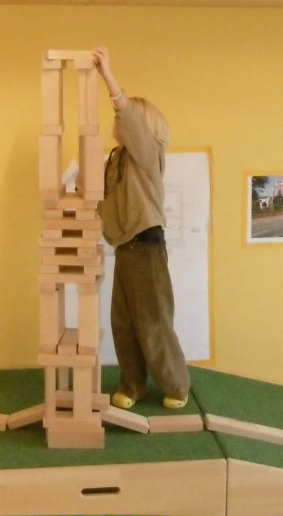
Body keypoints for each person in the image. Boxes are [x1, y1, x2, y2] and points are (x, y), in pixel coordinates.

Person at [92, 46, 190, 410]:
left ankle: (176, 384)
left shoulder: (148, 154)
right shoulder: (117, 159)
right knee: (123, 321)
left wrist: (108, 77)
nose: (116, 121)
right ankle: (133, 384)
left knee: (154, 321)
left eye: (123, 117)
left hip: (146, 246)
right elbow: (108, 203)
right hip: (125, 248)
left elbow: (131, 120)